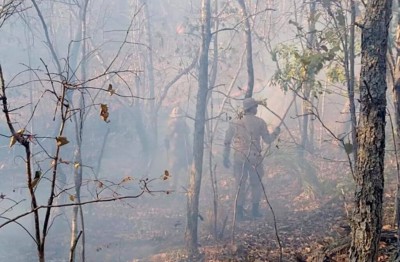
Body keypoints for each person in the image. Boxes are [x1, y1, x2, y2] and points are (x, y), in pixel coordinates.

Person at [223, 97, 280, 220]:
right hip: (255, 158)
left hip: (239, 157)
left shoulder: (234, 122)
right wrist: (276, 132)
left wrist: (225, 157)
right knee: (256, 184)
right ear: (252, 108)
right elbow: (268, 140)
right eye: (255, 106)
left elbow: (227, 141)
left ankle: (239, 213)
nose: (257, 108)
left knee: (239, 185)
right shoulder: (260, 122)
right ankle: (255, 211)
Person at [164, 107, 192, 191]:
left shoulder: (184, 125)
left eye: (179, 117)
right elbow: (167, 138)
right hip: (174, 153)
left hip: (184, 152)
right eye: (176, 117)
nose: (177, 119)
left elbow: (188, 132)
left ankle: (187, 188)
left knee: (187, 171)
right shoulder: (170, 125)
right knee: (174, 172)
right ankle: (173, 189)